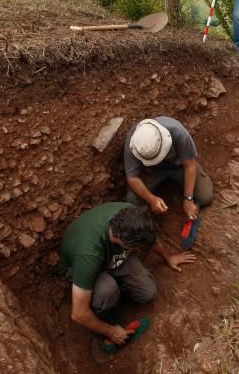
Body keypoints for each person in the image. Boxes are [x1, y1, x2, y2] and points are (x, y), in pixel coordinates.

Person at [58, 202, 195, 347]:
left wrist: (168, 257)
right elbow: (79, 313)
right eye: (136, 248)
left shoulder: (131, 216)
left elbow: (149, 239)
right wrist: (110, 331)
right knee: (107, 291)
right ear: (121, 240)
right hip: (84, 266)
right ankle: (105, 317)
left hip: (112, 258)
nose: (139, 250)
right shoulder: (88, 254)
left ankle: (116, 289)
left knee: (148, 292)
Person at [124, 117, 213, 219]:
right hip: (152, 171)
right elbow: (132, 177)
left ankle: (192, 209)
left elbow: (190, 165)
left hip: (179, 166)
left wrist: (188, 199)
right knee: (131, 201)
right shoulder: (134, 143)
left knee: (205, 196)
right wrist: (151, 199)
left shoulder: (178, 133)